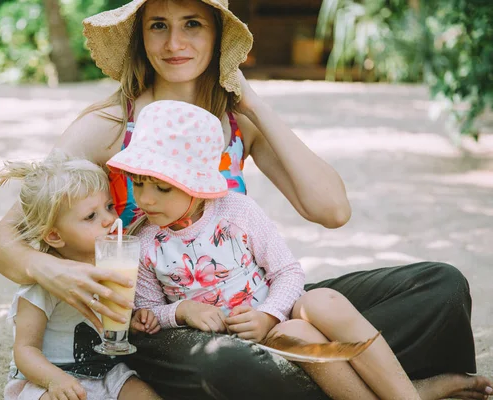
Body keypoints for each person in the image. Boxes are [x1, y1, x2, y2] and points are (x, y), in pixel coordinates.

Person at [0, 0, 492, 398]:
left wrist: (252, 103)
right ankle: (396, 387)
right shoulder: (110, 125)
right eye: (158, 25)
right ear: (141, 37)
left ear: (219, 35)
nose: (174, 42)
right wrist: (56, 272)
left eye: (193, 25)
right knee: (232, 366)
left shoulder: (236, 123)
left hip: (252, 305)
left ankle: (335, 375)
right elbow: (2, 241)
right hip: (167, 319)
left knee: (440, 287)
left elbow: (332, 210)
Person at [107, 98, 424, 400]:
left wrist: (268, 314)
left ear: (200, 186)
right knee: (300, 334)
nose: (145, 199)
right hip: (234, 346)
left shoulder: (237, 211)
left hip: (272, 310)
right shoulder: (147, 243)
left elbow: (287, 272)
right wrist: (181, 311)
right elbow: (146, 312)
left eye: (162, 188)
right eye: (137, 183)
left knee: (323, 301)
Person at [0, 151, 161, 400]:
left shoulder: (115, 265)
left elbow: (112, 322)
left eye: (109, 206)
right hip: (49, 377)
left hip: (106, 371)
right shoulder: (43, 284)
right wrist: (55, 380)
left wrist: (135, 321)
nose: (110, 220)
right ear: (54, 236)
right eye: (91, 216)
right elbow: (25, 349)